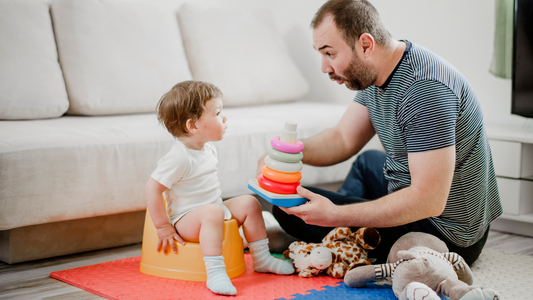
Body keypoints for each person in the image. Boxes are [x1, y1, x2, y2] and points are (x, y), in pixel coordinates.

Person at [258, 0, 502, 266]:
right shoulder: (380, 69)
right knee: (366, 162)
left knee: (290, 211)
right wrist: (285, 153)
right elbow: (342, 138)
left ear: (365, 44)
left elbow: (429, 200)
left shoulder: (424, 90)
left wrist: (336, 215)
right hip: (420, 198)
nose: (324, 67)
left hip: (447, 233)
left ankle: (337, 232)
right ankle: (346, 230)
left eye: (330, 54)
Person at [146, 81, 294, 296]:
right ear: (193, 126)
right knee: (212, 211)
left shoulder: (207, 148)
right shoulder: (179, 157)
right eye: (217, 113)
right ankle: (215, 272)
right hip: (185, 220)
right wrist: (163, 227)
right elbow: (152, 188)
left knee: (250, 203)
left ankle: (262, 258)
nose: (224, 118)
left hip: (212, 210)